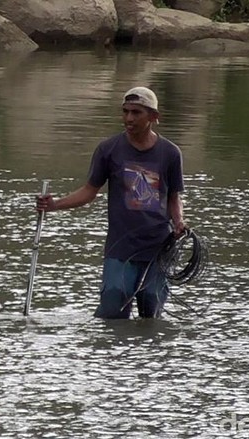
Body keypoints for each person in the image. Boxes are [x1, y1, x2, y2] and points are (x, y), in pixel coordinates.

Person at [36, 86, 185, 319]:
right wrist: (55, 205)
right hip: (121, 245)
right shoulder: (109, 150)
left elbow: (174, 197)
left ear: (154, 117)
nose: (128, 118)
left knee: (151, 307)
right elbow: (88, 191)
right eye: (125, 112)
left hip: (159, 245)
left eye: (136, 113)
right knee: (113, 306)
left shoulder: (170, 153)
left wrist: (178, 222)